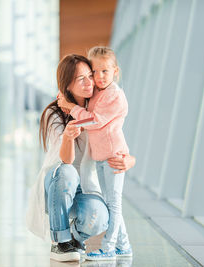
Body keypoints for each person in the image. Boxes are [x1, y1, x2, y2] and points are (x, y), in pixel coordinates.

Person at [26, 54, 136, 262]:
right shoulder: (55, 114)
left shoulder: (95, 109)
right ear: (67, 85)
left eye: (90, 75)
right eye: (81, 79)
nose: (90, 82)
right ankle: (60, 241)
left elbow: (114, 139)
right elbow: (65, 161)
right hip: (58, 186)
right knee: (67, 171)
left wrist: (130, 160)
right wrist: (68, 137)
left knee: (102, 215)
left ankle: (74, 239)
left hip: (84, 188)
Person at [57, 46, 132, 261]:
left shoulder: (115, 96)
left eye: (104, 72)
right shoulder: (100, 92)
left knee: (114, 204)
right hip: (102, 157)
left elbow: (93, 120)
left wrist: (71, 107)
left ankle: (109, 247)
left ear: (115, 71)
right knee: (111, 203)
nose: (98, 77)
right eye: (94, 72)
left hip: (114, 157)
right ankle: (124, 246)